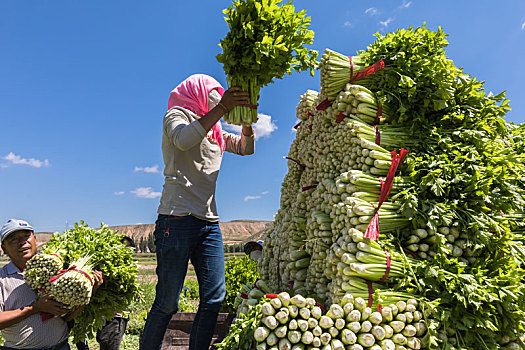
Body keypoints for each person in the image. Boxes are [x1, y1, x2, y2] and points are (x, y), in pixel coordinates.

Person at [139, 74, 255, 350]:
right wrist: (223, 108)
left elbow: (246, 148)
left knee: (214, 297)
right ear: (199, 93)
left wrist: (248, 120)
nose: (218, 98)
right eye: (214, 94)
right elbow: (182, 140)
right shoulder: (176, 115)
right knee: (167, 302)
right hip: (176, 220)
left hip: (208, 223)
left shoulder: (214, 130)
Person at [0, 219, 103, 350]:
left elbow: (66, 317)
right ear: (4, 248)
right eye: (13, 239)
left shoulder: (62, 271)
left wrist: (88, 292)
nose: (22, 242)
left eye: (26, 236)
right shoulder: (2, 278)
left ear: (35, 239)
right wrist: (34, 308)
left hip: (60, 347)